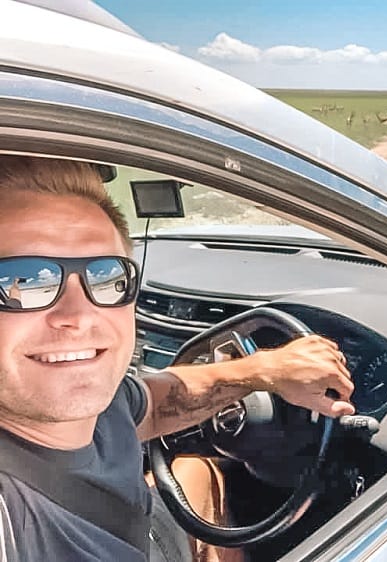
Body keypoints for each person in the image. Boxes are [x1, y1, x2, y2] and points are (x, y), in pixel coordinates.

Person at [0, 155, 355, 561]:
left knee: (202, 473)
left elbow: (153, 406)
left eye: (108, 277)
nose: (79, 316)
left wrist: (266, 370)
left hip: (137, 534)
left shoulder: (109, 403)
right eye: (21, 281)